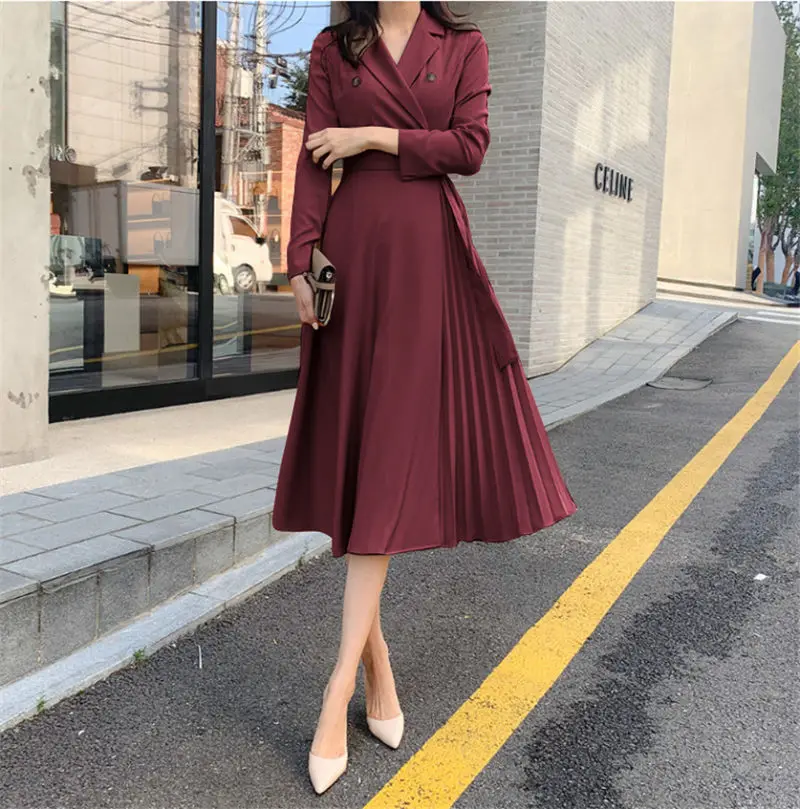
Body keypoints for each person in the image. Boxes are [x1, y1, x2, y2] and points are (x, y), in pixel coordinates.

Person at [271, 1, 577, 794]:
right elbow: (311, 162)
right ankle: (377, 668)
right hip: (351, 257)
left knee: (385, 458)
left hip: (424, 259)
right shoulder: (333, 45)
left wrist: (374, 137)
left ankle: (336, 689)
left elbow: (469, 148)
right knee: (356, 455)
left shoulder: (464, 45)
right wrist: (300, 261)